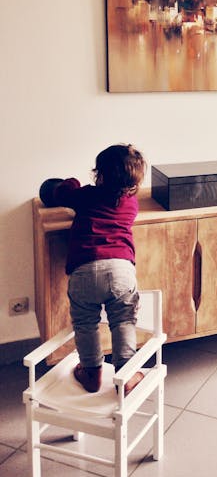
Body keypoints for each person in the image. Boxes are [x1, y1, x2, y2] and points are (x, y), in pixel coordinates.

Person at [39, 144, 146, 395]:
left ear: (100, 174)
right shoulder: (131, 204)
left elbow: (61, 193)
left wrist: (71, 182)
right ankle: (127, 373)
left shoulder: (86, 195)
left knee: (85, 323)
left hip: (84, 270)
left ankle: (91, 371)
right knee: (123, 321)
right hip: (120, 269)